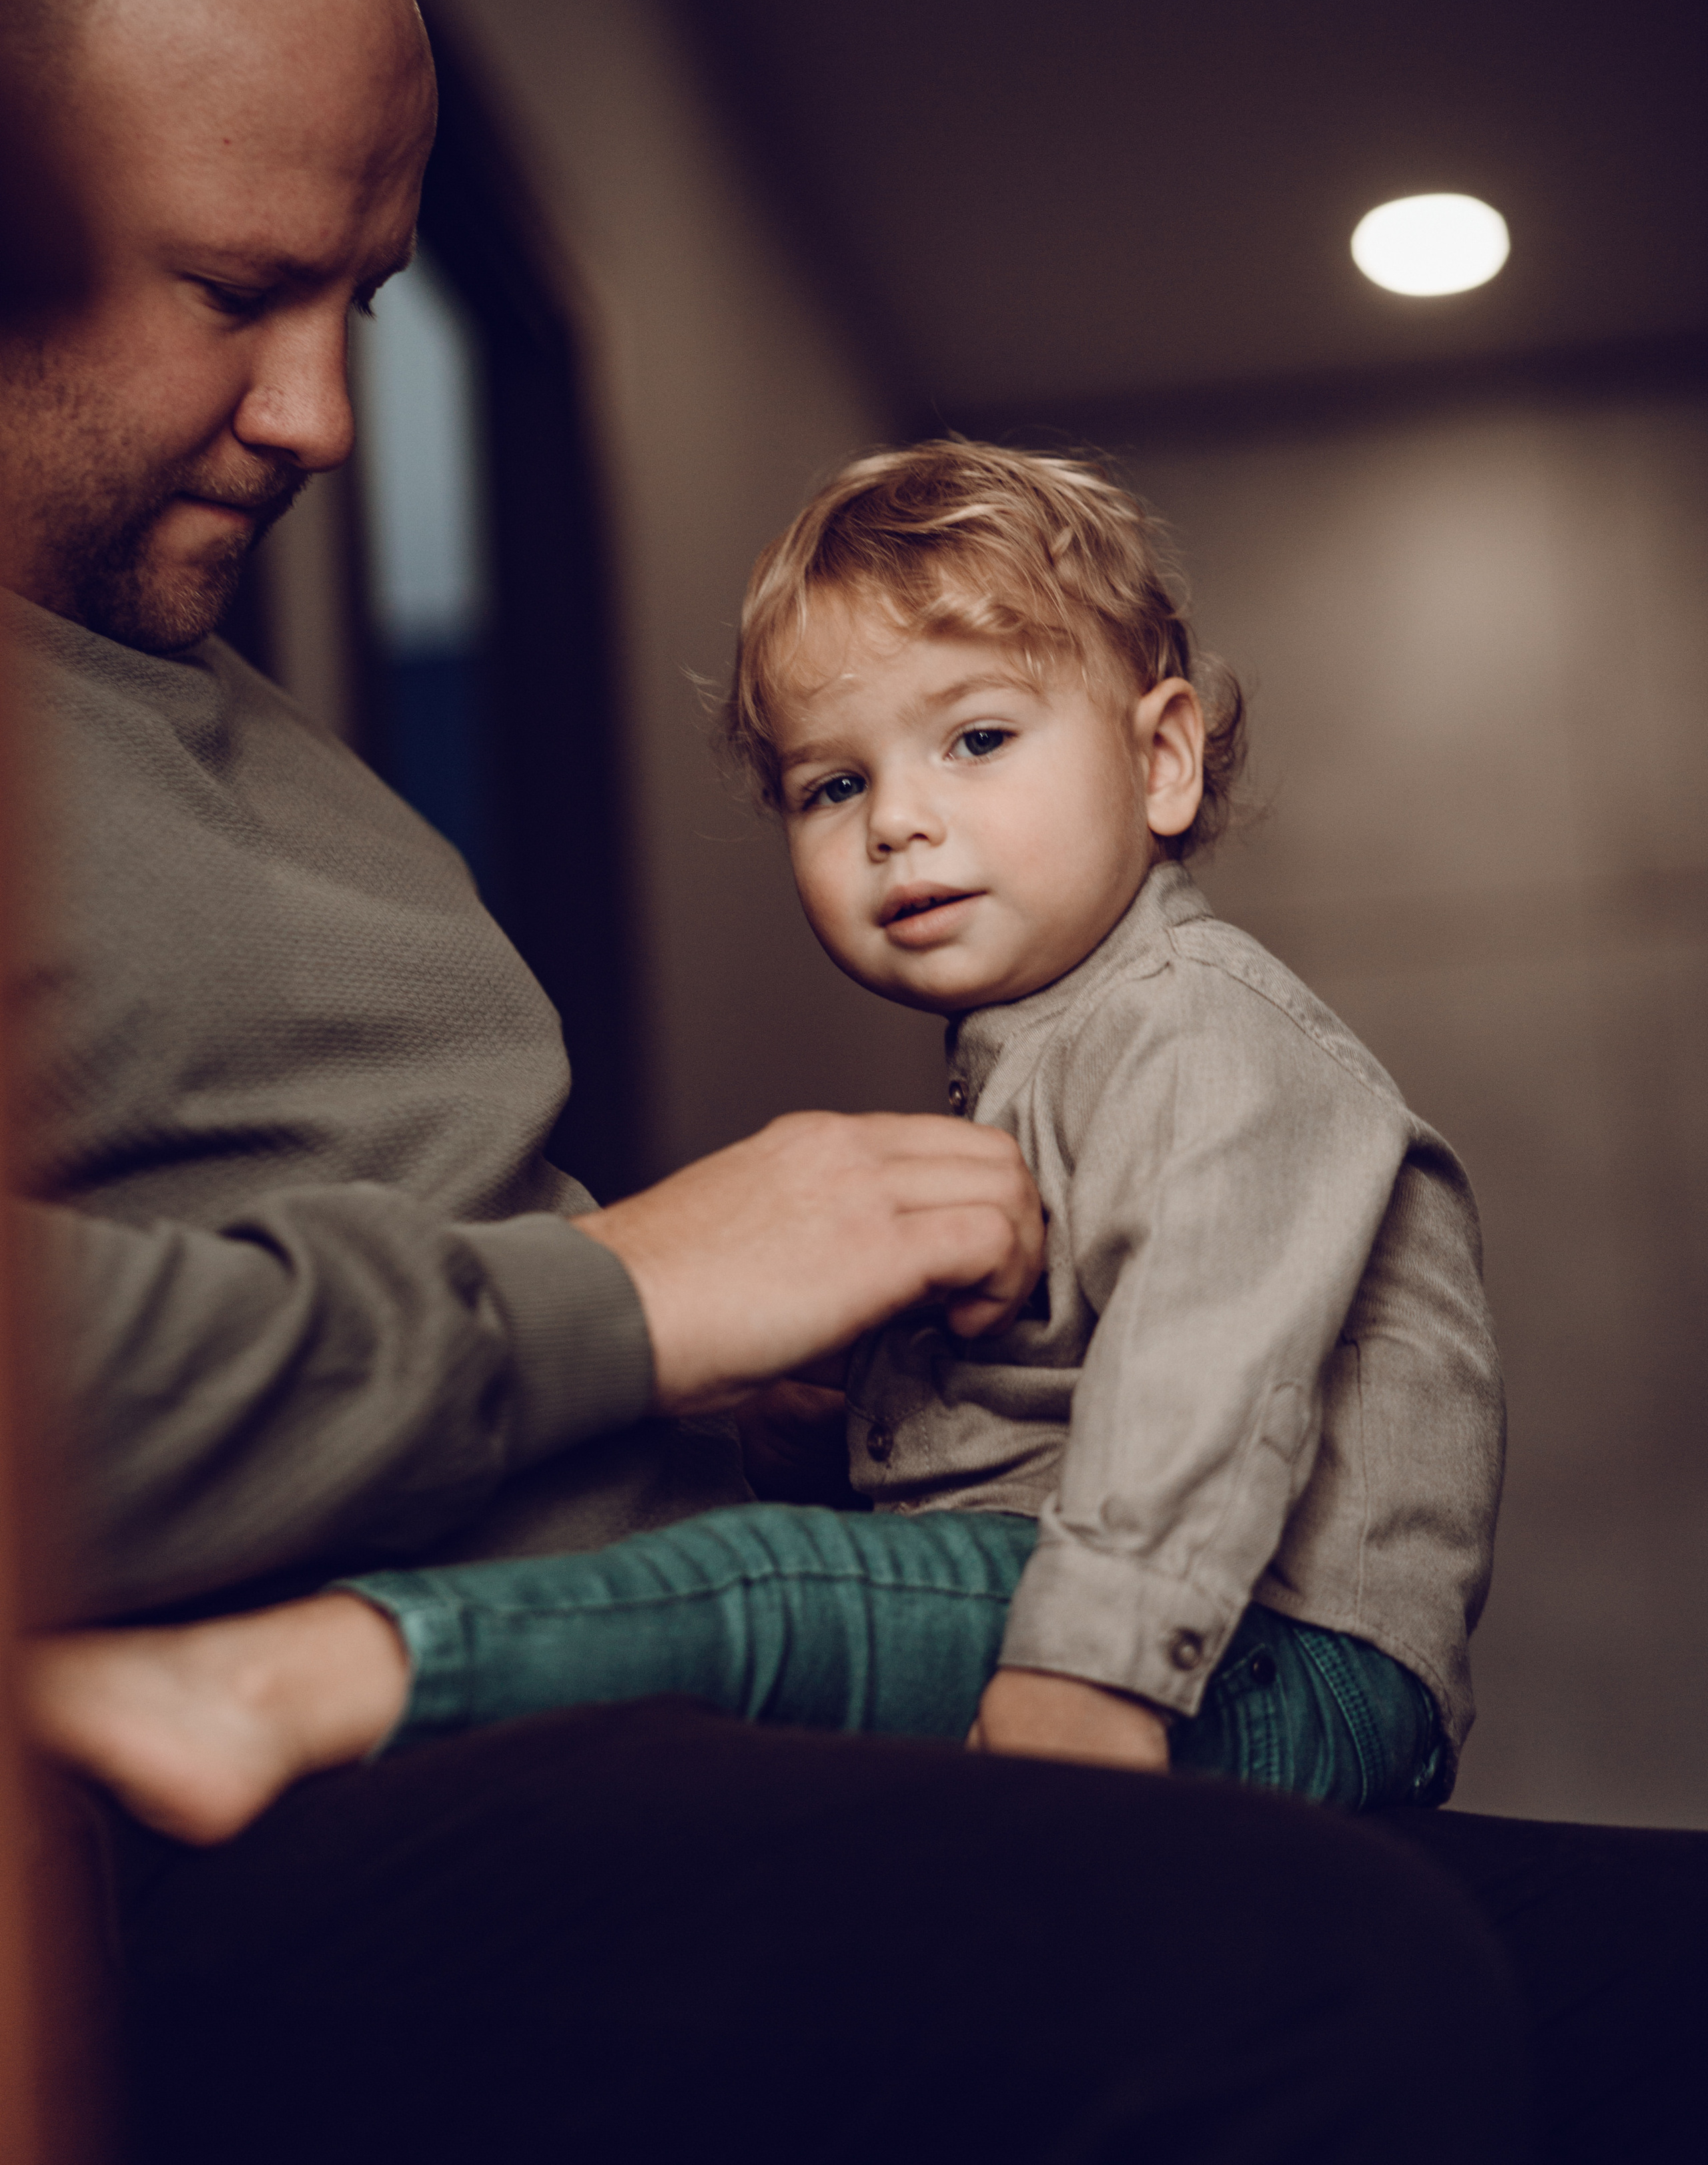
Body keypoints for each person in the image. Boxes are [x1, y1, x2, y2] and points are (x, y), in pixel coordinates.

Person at [0, 0, 1699, 2165]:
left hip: (698, 1664)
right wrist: (633, 1304)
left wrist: (714, 1382)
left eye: (366, 301)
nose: (322, 417)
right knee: (1296, 1970)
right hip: (284, 1804)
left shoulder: (277, 759)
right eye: (231, 291)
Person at [26, 442, 1499, 1841]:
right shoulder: (1048, 1047)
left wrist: (1089, 1677)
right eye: (834, 785)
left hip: (1267, 1650)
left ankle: (276, 1688)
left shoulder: (1202, 1032)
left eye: (976, 739)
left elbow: (1208, 1377)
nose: (899, 824)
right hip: (1129, 1604)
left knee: (757, 1599)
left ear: (1162, 758)